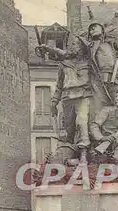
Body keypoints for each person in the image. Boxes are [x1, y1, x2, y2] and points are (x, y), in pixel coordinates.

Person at [36, 33, 92, 163]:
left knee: (81, 122)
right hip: (67, 97)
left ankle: (83, 155)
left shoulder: (89, 62)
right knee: (69, 129)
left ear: (82, 47)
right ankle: (71, 155)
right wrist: (54, 102)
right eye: (71, 44)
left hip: (83, 96)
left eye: (76, 44)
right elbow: (59, 85)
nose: (73, 47)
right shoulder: (64, 63)